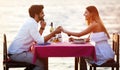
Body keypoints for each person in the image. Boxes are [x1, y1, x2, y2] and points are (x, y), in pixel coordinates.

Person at [8, 5, 61, 70]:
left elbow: (36, 39)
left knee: (41, 59)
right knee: (41, 65)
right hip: (17, 54)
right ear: (36, 14)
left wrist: (42, 28)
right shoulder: (32, 24)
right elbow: (40, 41)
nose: (44, 15)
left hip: (16, 52)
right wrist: (54, 32)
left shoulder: (32, 22)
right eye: (42, 13)